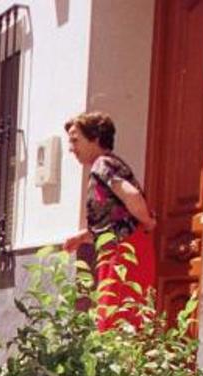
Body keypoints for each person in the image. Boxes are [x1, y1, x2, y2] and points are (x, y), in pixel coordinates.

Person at [61, 111, 157, 330]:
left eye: (76, 140)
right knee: (122, 314)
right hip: (120, 248)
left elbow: (131, 195)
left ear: (95, 138)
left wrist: (148, 221)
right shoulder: (104, 166)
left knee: (115, 317)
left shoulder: (102, 164)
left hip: (124, 249)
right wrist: (83, 236)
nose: (71, 147)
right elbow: (113, 216)